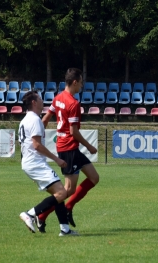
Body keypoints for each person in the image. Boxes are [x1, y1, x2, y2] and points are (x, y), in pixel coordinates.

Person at [37, 68, 100, 232]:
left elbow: (45, 119)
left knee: (94, 178)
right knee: (67, 190)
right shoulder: (73, 103)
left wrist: (38, 135)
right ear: (74, 82)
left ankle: (69, 206)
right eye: (80, 82)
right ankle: (41, 215)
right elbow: (73, 132)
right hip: (68, 148)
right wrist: (90, 146)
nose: (81, 86)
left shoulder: (57, 98)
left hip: (67, 148)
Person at [18, 91, 78, 236]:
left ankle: (65, 229)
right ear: (33, 102)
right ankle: (30, 214)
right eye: (39, 98)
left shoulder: (26, 119)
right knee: (62, 192)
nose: (42, 100)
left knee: (58, 193)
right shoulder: (34, 120)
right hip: (35, 163)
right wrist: (56, 159)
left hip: (30, 163)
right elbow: (37, 145)